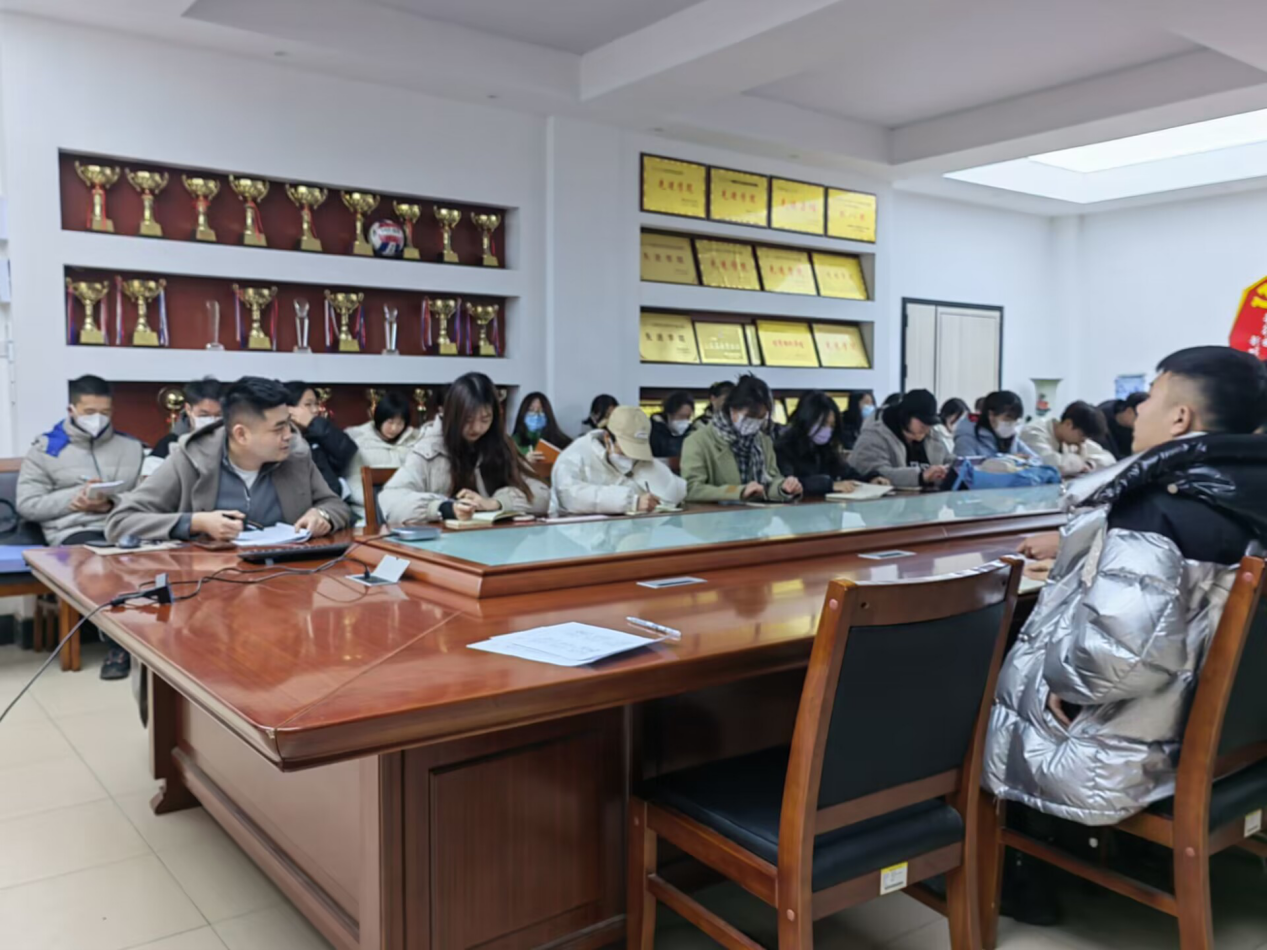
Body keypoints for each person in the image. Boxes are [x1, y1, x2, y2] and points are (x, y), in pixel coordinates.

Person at [986, 347, 1267, 835]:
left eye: (1151, 396)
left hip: (1123, 759)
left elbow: (1112, 662)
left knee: (981, 682)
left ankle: (998, 850)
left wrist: (1060, 681)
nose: (1138, 410)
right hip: (1221, 739)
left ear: (1180, 417)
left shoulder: (1156, 510)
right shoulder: (1245, 495)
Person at [107, 376, 351, 546]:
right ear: (241, 434)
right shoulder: (191, 458)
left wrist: (322, 515)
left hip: (286, 578)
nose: (289, 435)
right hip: (208, 583)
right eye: (278, 428)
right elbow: (121, 521)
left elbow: (335, 505)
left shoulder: (295, 454)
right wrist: (195, 523)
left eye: (288, 423)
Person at [18, 375, 145, 680]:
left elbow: (148, 496)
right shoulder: (46, 449)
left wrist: (112, 502)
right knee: (103, 563)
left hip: (122, 525)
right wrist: (74, 500)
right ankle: (119, 648)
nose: (97, 419)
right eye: (89, 412)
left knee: (159, 559)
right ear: (71, 409)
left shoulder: (131, 447)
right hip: (73, 529)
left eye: (105, 412)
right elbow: (28, 504)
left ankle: (156, 641)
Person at [380, 372, 548, 524]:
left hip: (495, 540)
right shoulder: (430, 448)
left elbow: (542, 495)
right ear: (453, 415)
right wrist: (444, 508)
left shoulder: (501, 445)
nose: (477, 428)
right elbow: (391, 500)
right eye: (468, 419)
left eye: (485, 419)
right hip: (443, 543)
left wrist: (495, 503)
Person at [681, 374, 802, 503]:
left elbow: (771, 479)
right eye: (750, 416)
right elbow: (692, 489)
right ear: (733, 410)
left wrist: (783, 488)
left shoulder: (763, 441)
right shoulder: (698, 441)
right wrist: (739, 492)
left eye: (760, 418)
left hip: (758, 512)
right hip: (719, 513)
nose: (754, 422)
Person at [550, 406, 686, 516]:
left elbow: (676, 491)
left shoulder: (638, 459)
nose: (630, 457)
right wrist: (631, 502)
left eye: (636, 451)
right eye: (624, 450)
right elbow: (568, 495)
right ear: (607, 438)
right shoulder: (576, 455)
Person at [774, 391, 883, 495]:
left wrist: (870, 479)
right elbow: (789, 483)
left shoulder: (825, 449)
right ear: (808, 419)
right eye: (823, 424)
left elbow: (846, 472)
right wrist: (829, 485)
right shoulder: (784, 448)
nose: (827, 430)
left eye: (832, 426)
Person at [848, 389, 952, 489]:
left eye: (930, 423)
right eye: (922, 421)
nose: (927, 427)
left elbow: (948, 460)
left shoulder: (932, 436)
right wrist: (921, 476)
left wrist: (953, 469)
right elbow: (874, 474)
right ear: (906, 416)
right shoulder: (874, 436)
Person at [344, 392, 421, 522]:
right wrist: (381, 502)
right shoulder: (358, 440)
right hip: (366, 510)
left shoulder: (415, 442)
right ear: (380, 418)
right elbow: (353, 481)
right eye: (390, 422)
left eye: (400, 423)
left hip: (405, 509)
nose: (394, 428)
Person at [285, 381, 359, 498]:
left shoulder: (318, 434)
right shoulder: (283, 440)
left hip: (333, 500)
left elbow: (346, 452)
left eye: (316, 404)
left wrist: (315, 424)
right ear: (289, 409)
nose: (315, 410)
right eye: (308, 404)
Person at [143, 377, 223, 477]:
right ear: (188, 409)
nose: (212, 421)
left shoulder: (234, 444)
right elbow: (148, 481)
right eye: (204, 415)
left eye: (219, 415)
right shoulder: (168, 444)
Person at [1021, 401, 1115, 478]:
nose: (1083, 441)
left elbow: (1109, 460)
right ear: (1068, 424)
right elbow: (1053, 465)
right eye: (1082, 435)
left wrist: (1089, 463)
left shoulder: (1072, 438)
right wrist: (1081, 461)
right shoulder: (1034, 433)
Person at [953, 390, 1039, 459]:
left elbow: (1036, 460)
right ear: (991, 415)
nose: (1011, 424)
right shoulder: (967, 439)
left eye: (1015, 421)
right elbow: (966, 470)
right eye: (1006, 419)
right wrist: (1009, 461)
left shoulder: (1012, 439)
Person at [511, 392, 571, 462]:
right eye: (531, 410)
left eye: (541, 411)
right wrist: (524, 461)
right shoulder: (511, 444)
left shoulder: (564, 443)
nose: (536, 415)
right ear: (523, 414)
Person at [1096, 391, 1149, 460]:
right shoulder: (1100, 421)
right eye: (1143, 419)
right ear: (1129, 412)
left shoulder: (1134, 426)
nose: (1145, 424)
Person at [650, 390, 696, 458]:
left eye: (688, 417)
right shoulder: (653, 431)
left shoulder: (692, 434)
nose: (684, 421)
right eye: (681, 416)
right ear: (669, 414)